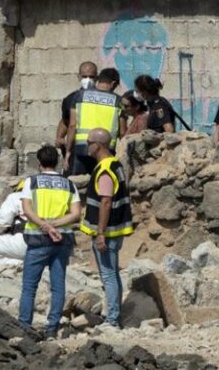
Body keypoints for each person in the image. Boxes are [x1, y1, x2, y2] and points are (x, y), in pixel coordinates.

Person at [18, 145, 82, 338]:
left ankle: (24, 327)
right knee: (58, 286)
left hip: (38, 240)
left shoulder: (32, 181)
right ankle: (52, 328)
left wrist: (46, 226)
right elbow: (76, 214)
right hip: (62, 241)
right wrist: (55, 224)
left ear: (39, 163)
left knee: (29, 286)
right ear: (58, 162)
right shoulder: (69, 184)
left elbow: (28, 211)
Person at [80, 128, 134, 329]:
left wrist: (100, 233)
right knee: (113, 274)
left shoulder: (104, 170)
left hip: (108, 232)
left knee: (109, 275)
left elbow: (105, 202)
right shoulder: (116, 164)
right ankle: (114, 315)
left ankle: (112, 319)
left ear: (98, 145)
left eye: (89, 143)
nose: (87, 146)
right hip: (116, 229)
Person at [65, 67, 122, 175]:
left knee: (80, 183)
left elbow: (72, 125)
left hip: (82, 147)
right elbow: (122, 132)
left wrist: (68, 152)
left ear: (98, 80)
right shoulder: (118, 101)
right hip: (106, 150)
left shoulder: (79, 96)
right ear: (113, 83)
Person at [56, 61, 98, 161]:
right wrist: (59, 138)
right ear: (79, 77)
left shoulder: (103, 98)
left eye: (91, 77)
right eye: (84, 77)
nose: (88, 80)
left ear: (97, 77)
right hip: (77, 149)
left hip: (98, 147)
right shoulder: (70, 99)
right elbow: (66, 121)